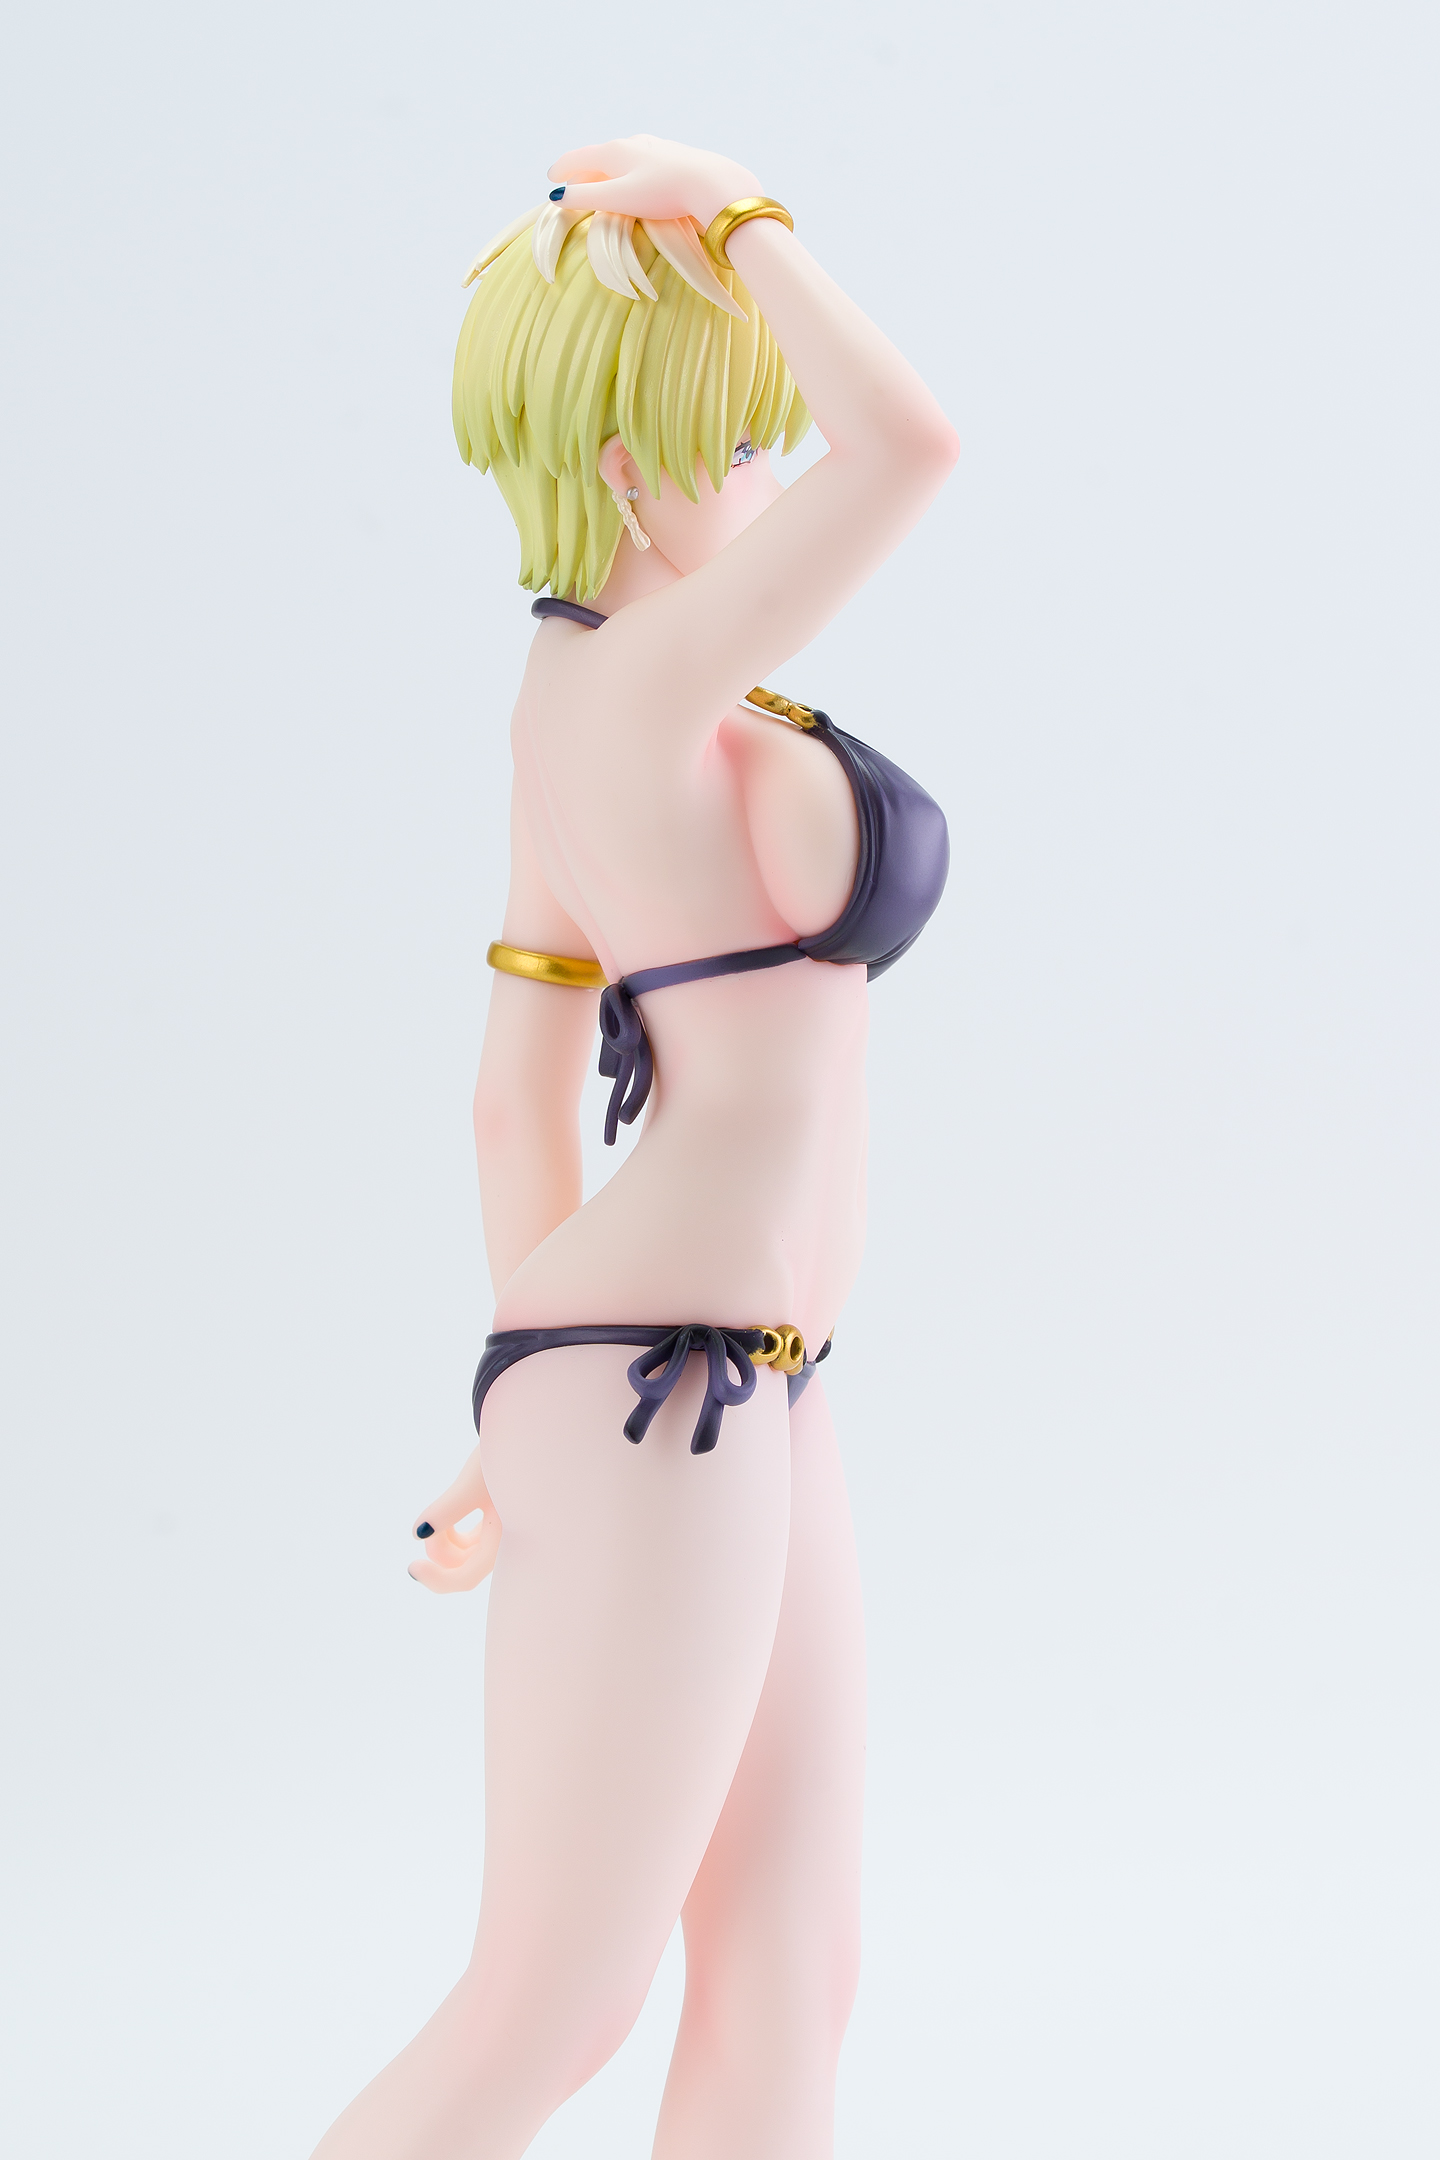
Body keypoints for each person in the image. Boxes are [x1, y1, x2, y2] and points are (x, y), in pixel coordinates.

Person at [310, 132, 958, 2160]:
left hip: (726, 1382)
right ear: (627, 464)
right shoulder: (631, 680)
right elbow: (914, 446)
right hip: (661, 1382)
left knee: (788, 1973)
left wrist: (507, 1427)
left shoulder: (594, 711)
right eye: (737, 440)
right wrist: (737, 212)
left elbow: (516, 1093)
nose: (771, 476)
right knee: (556, 2000)